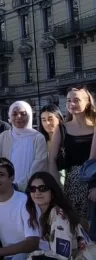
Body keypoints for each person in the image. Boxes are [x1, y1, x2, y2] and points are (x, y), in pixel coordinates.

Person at [48, 86, 95, 222]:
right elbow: (52, 161)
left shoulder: (95, 127)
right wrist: (58, 190)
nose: (71, 104)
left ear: (87, 103)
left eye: (76, 100)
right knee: (77, 229)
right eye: (68, 100)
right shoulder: (62, 129)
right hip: (72, 186)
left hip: (93, 184)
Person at [25, 171, 91, 259]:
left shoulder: (59, 217)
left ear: (52, 192)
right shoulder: (48, 213)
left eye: (43, 188)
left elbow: (62, 257)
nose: (37, 192)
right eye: (33, 189)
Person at [0, 158, 40, 260]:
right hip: (3, 256)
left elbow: (33, 242)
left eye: (0, 175)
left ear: (12, 178)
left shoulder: (25, 202)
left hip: (29, 255)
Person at [0, 101, 48, 191]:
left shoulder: (38, 138)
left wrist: (20, 185)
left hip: (32, 188)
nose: (18, 117)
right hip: (7, 188)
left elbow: (39, 164)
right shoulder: (3, 137)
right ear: (10, 117)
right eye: (14, 114)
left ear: (29, 115)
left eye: (23, 114)